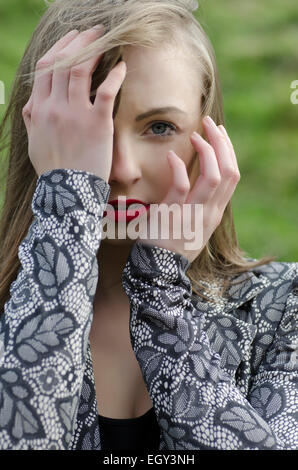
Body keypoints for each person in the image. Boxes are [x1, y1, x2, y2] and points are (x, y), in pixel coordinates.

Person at [0, 0, 297, 451]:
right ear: (39, 134)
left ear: (209, 140)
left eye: (159, 127)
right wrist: (67, 205)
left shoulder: (282, 309)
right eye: (86, 125)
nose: (119, 169)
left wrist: (161, 292)